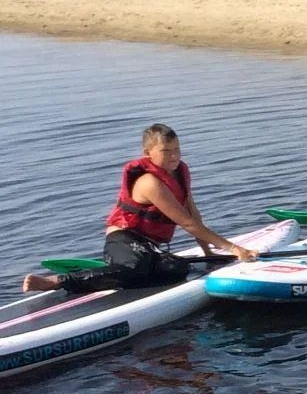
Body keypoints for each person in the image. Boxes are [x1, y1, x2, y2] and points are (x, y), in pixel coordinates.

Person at [21, 123, 257, 294]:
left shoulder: (180, 172)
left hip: (148, 246)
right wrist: (235, 248)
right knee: (135, 267)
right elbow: (186, 223)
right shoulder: (149, 182)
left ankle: (119, 273)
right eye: (166, 151)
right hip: (123, 238)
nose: (173, 156)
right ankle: (57, 281)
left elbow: (192, 214)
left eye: (177, 149)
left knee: (176, 268)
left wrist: (208, 252)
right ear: (148, 154)